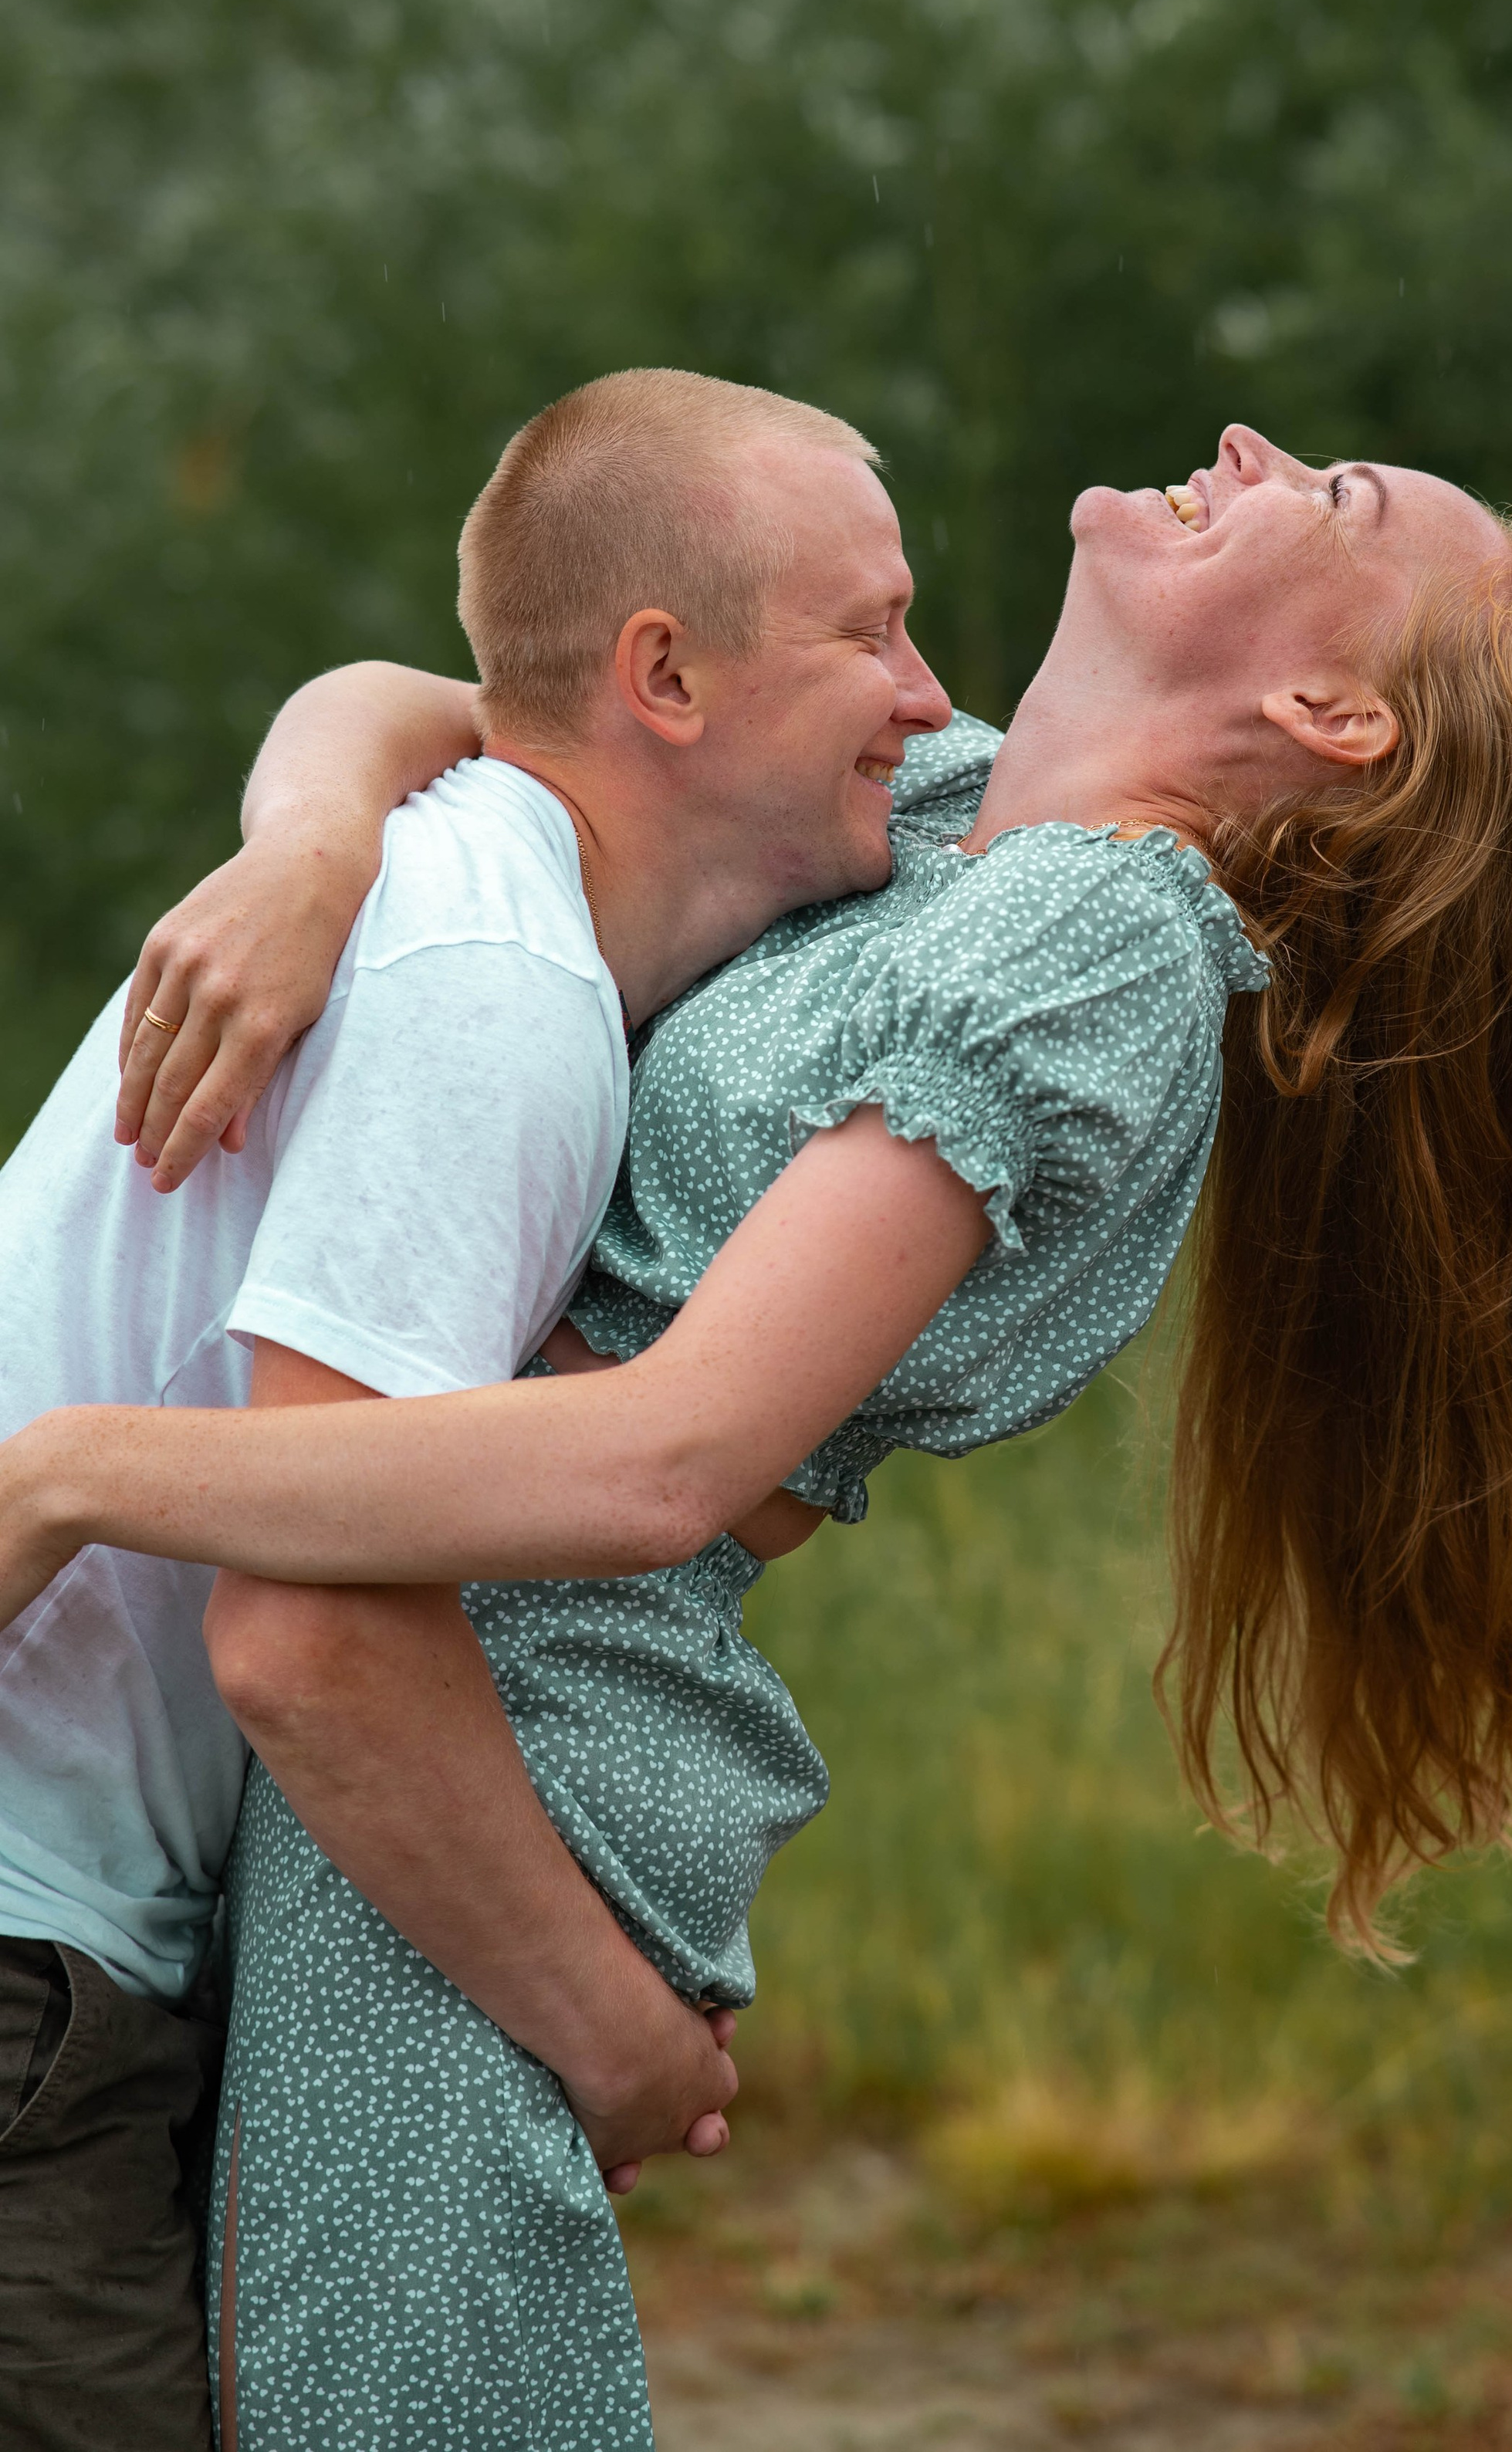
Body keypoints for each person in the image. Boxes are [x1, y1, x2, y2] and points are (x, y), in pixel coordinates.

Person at [0, 425, 1512, 2450]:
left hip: (504, 1736)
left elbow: (666, 1460)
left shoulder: (1108, 951)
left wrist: (61, 1479)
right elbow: (484, 694)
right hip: (387, 1695)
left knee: (406, 2401)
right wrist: (314, 842)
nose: (1249, 444)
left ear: (1327, 708)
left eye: (1337, 499)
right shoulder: (963, 821)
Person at [0, 367, 952, 2452]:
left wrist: (315, 813)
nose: (931, 692)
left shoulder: (462, 868)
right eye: (873, 629)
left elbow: (404, 692)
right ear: (665, 676)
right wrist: (616, 2040)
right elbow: (310, 1632)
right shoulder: (491, 993)